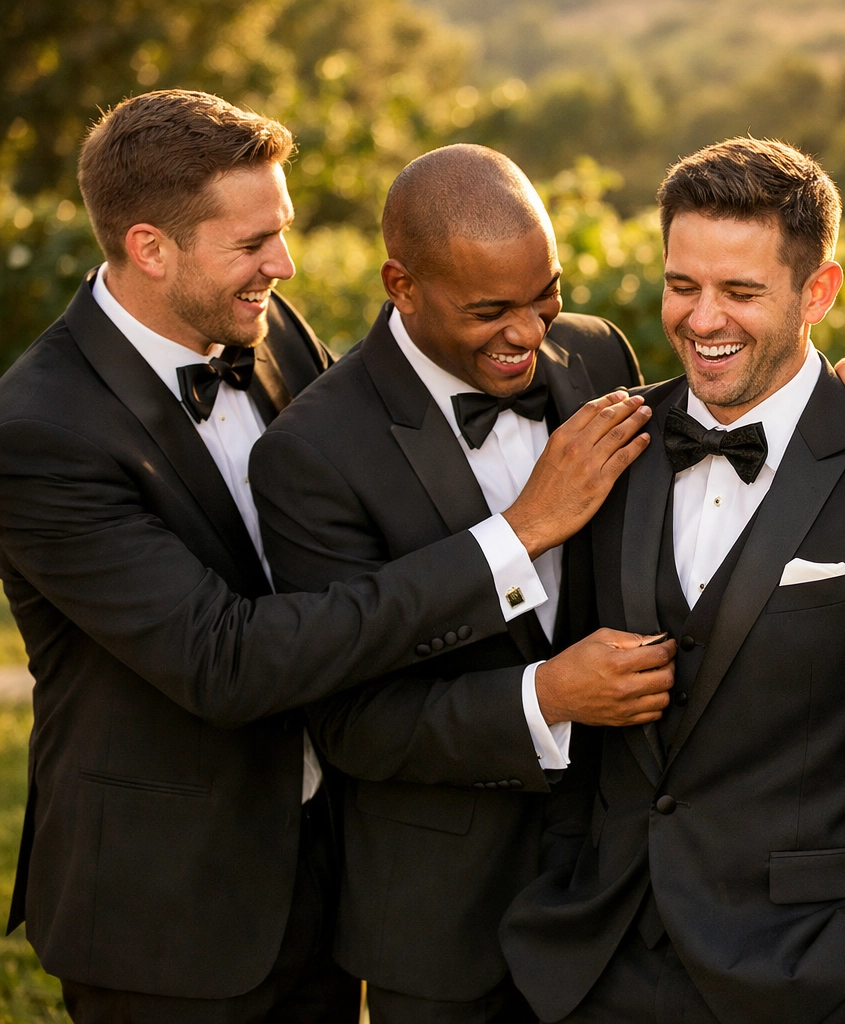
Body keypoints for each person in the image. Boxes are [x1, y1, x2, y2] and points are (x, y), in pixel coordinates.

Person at [0, 91, 643, 1023]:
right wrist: (516, 534)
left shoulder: (267, 332)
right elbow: (224, 661)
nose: (285, 265)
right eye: (253, 243)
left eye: (284, 231)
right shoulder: (38, 432)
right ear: (150, 248)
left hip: (337, 866)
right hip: (169, 900)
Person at [501, 137, 845, 1024]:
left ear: (817, 291)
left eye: (740, 292)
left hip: (803, 978)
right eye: (683, 286)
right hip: (595, 968)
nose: (704, 320)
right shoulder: (612, 448)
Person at [248, 144, 673, 1023]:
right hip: (441, 924)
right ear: (401, 286)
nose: (530, 331)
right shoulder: (312, 454)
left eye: (546, 293)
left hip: (625, 889)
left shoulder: (595, 354)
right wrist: (546, 695)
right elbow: (351, 725)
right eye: (491, 310)